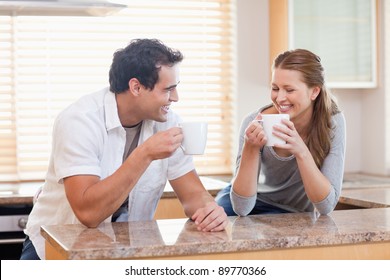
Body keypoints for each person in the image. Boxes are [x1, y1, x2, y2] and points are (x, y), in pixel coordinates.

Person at [21, 38, 228, 260]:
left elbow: (193, 195)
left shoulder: (167, 122)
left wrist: (209, 210)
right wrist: (145, 153)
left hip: (124, 251)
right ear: (136, 87)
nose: (176, 98)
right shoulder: (79, 121)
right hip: (55, 249)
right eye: (168, 89)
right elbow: (88, 214)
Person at [215, 49, 346, 217]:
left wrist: (301, 151)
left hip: (293, 212)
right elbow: (241, 208)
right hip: (248, 202)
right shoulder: (253, 122)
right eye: (275, 88)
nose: (280, 98)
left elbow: (326, 207)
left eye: (289, 90)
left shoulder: (332, 123)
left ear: (314, 91)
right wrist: (251, 148)